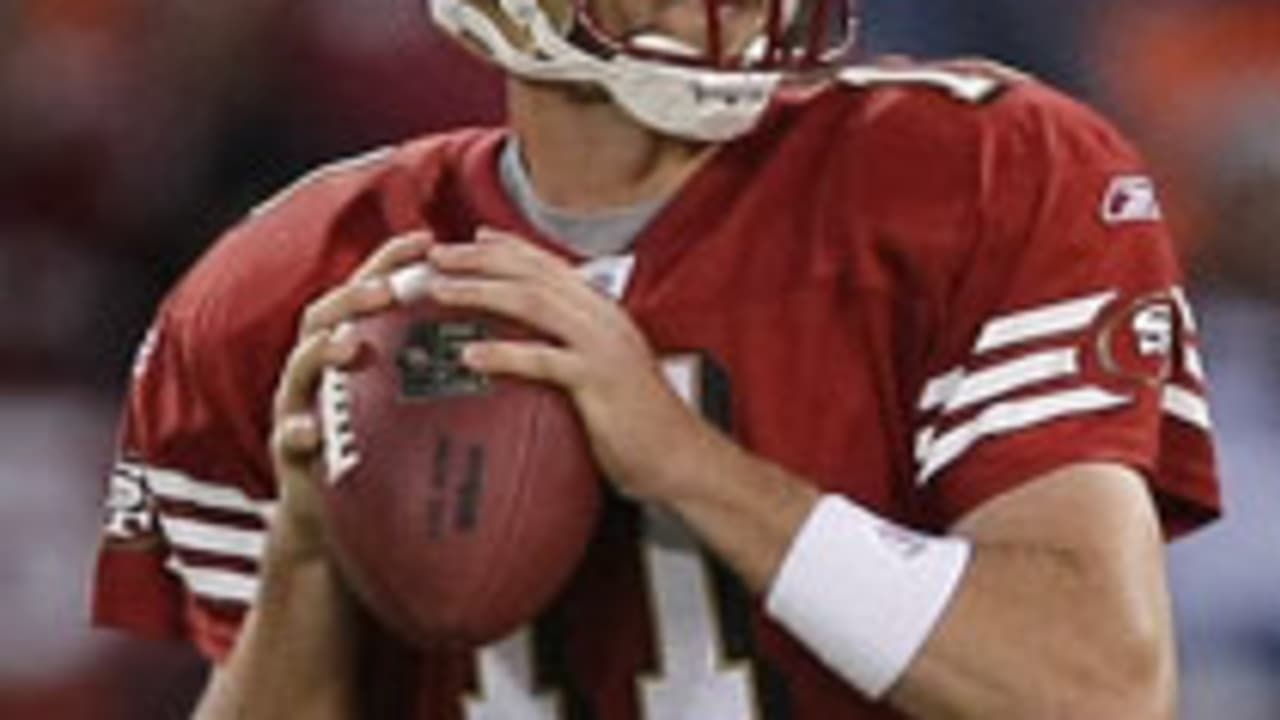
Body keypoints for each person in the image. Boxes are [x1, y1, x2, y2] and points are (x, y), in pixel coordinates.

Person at [90, 0, 1222, 717]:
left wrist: (686, 464)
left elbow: (1094, 691)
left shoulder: (975, 174)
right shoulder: (289, 284)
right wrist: (304, 561)